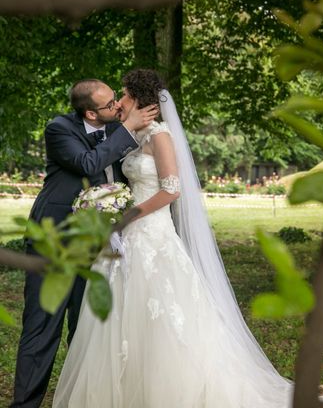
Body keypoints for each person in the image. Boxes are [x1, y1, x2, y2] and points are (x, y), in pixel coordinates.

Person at [52, 69, 293, 407]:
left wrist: (126, 217)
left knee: (163, 311)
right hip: (127, 234)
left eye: (122, 95)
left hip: (152, 232)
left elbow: (172, 189)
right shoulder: (133, 134)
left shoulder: (161, 135)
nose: (119, 102)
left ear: (137, 99)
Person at [11, 79, 158, 408]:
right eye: (110, 106)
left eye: (116, 101)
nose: (118, 107)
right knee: (42, 327)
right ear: (90, 112)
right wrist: (129, 127)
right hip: (56, 240)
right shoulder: (59, 129)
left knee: (87, 329)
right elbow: (88, 164)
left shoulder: (117, 127)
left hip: (100, 245)